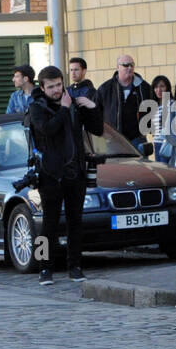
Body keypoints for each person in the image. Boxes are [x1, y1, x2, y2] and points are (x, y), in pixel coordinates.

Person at [26, 65, 103, 285]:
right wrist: (63, 109)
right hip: (50, 173)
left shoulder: (73, 104)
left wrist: (91, 107)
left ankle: (75, 267)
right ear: (43, 87)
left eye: (59, 85)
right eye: (51, 87)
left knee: (75, 222)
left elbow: (97, 129)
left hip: (75, 171)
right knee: (48, 223)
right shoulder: (37, 107)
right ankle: (44, 269)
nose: (56, 90)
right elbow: (47, 130)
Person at [96, 54, 153, 152]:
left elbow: (154, 108)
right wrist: (103, 133)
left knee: (139, 167)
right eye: (126, 65)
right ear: (118, 67)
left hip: (137, 139)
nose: (129, 68)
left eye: (132, 65)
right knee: (116, 167)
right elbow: (96, 113)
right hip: (113, 140)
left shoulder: (144, 87)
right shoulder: (105, 89)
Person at [150, 75, 174, 163]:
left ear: (167, 87)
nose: (159, 90)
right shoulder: (155, 106)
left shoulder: (172, 104)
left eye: (162, 86)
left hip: (167, 143)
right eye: (156, 87)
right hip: (157, 143)